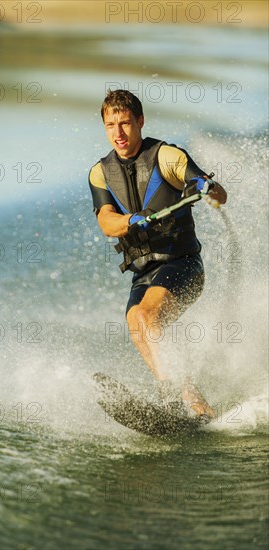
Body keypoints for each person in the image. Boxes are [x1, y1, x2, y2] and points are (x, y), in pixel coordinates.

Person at [88, 89, 227, 422]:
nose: (118, 133)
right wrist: (131, 220)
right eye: (110, 125)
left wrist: (206, 188)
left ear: (140, 121)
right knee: (136, 322)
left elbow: (215, 190)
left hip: (183, 266)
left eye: (124, 124)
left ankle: (169, 399)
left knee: (148, 317)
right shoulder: (100, 172)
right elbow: (107, 221)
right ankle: (194, 402)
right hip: (144, 273)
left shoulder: (167, 157)